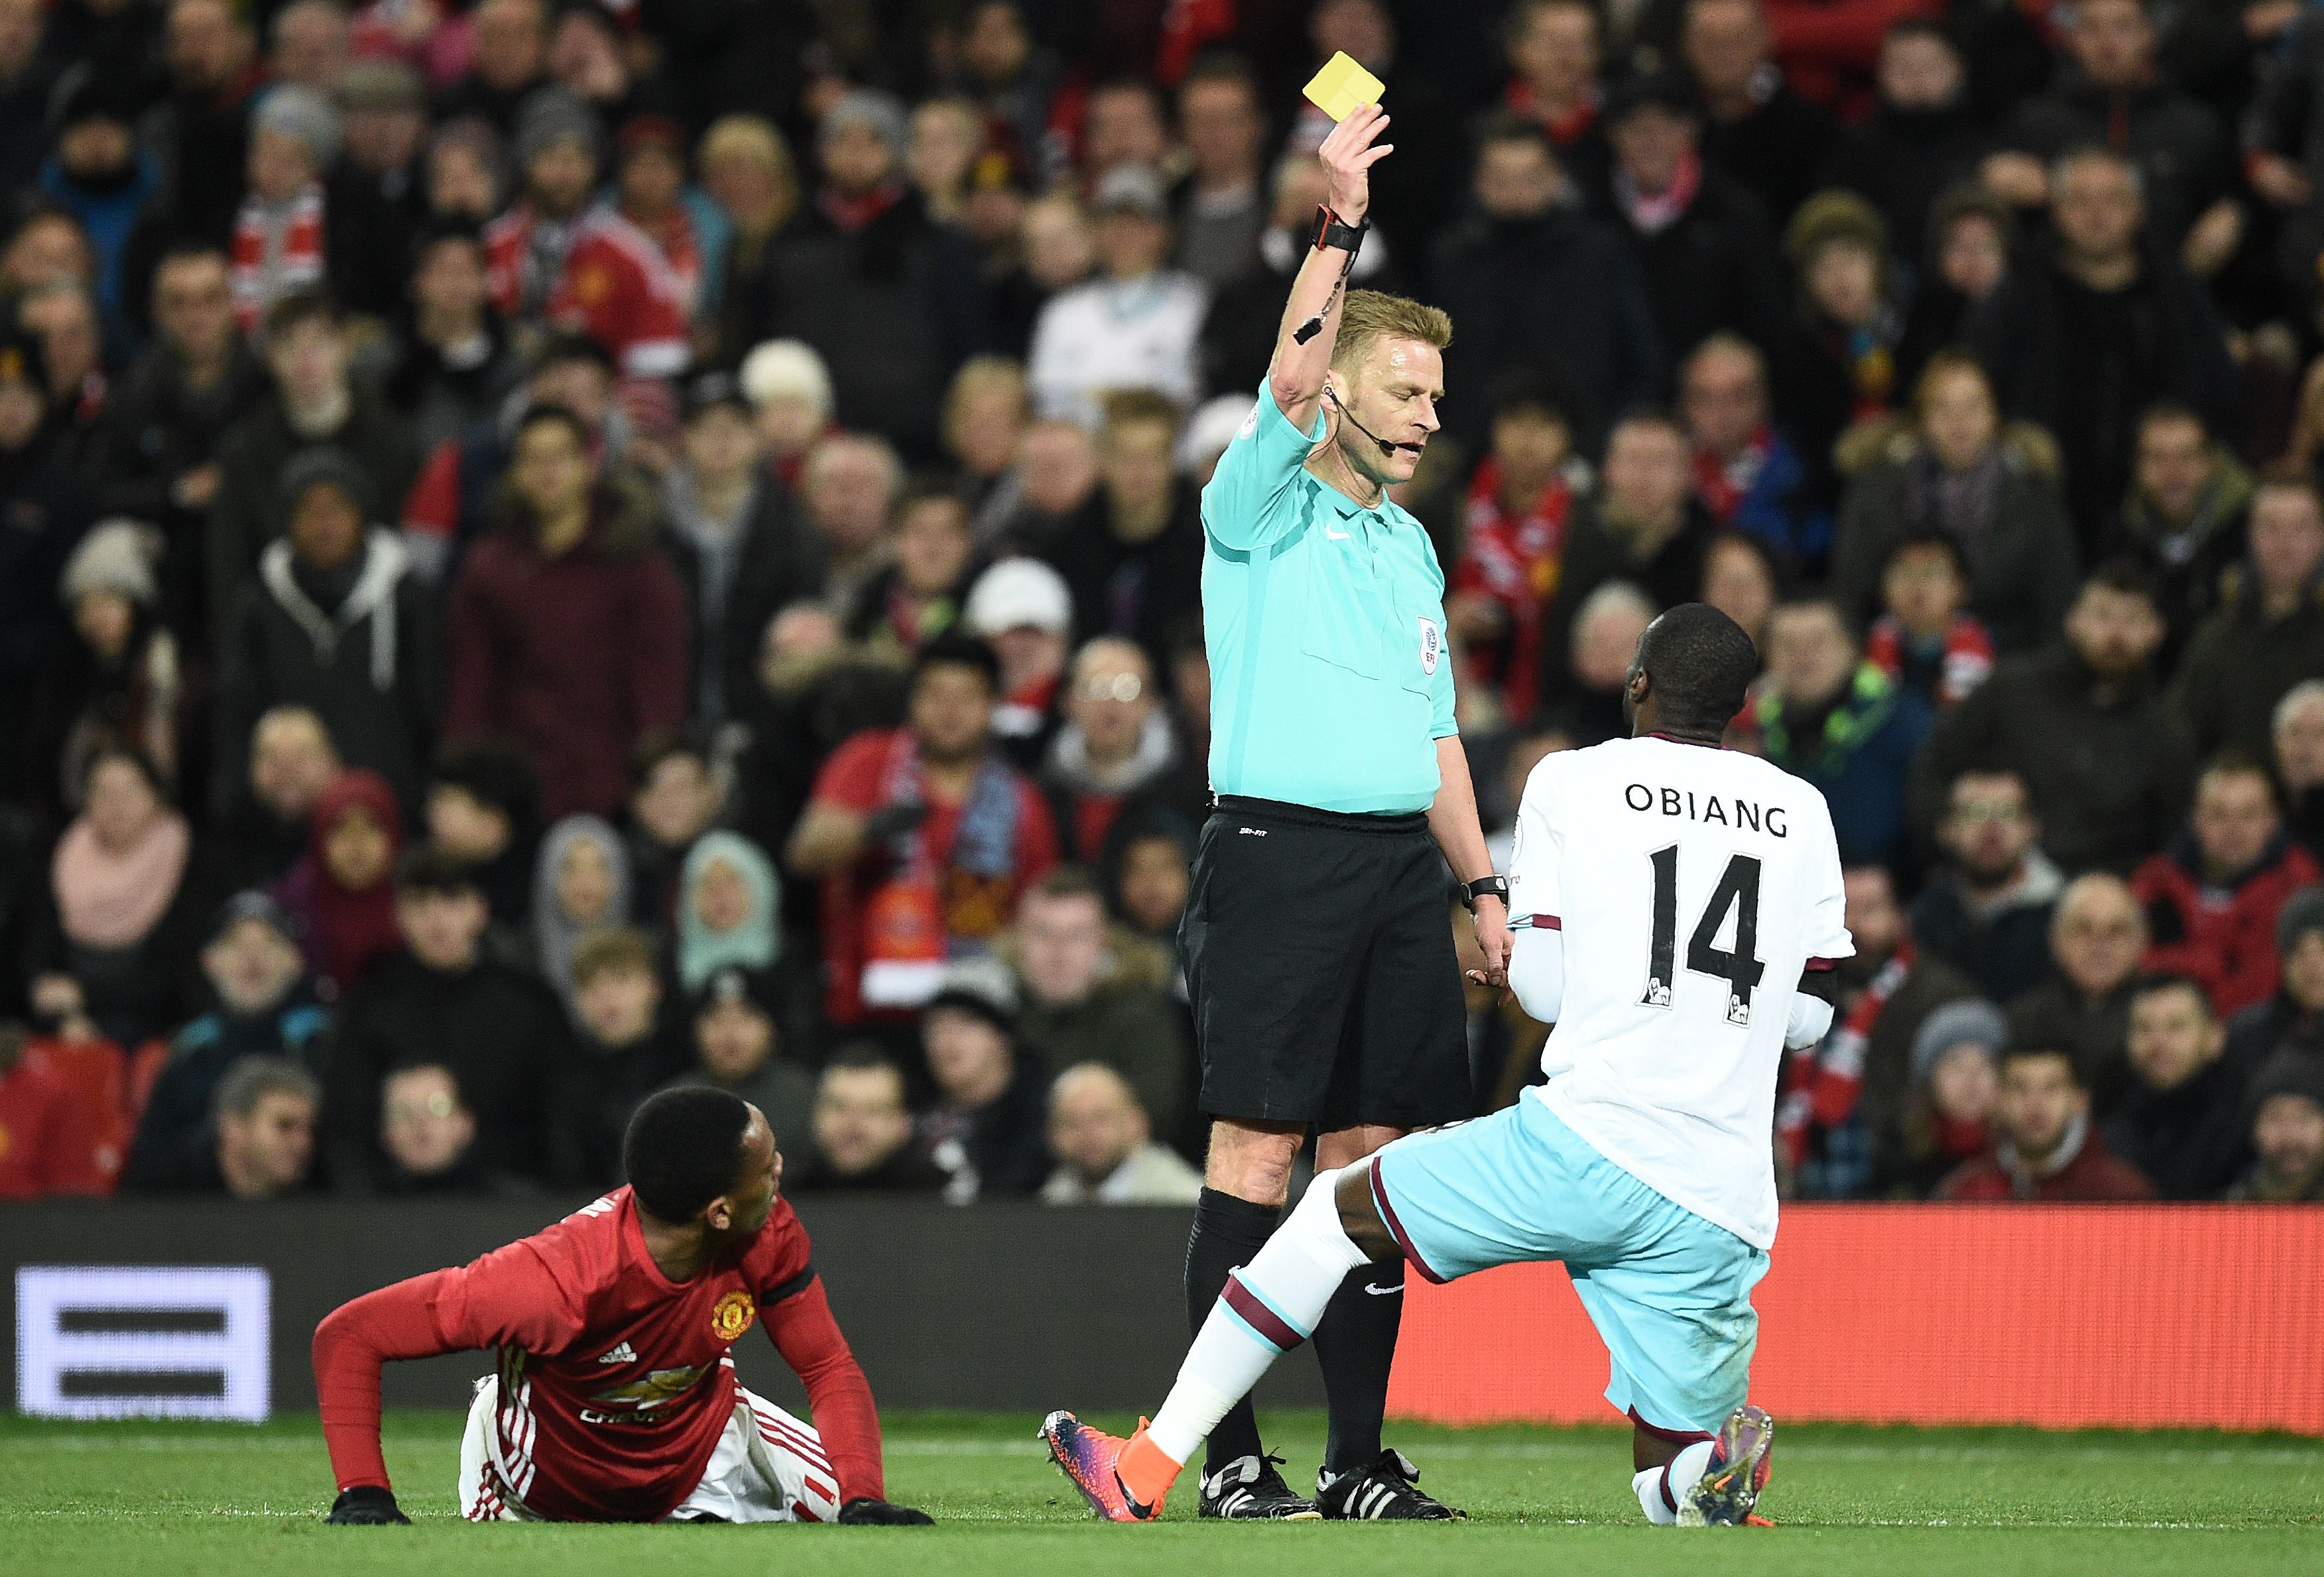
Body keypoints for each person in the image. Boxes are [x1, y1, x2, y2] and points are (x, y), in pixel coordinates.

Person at [1041, 603, 1839, 1529]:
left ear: (1637, 683)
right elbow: (1810, 1015)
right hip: (1720, 1198)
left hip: (1589, 1145)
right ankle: (1701, 1479)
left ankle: (1143, 1466)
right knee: (1667, 1454)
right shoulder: (1800, 808)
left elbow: (1541, 989)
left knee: (1329, 1212)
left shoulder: (1576, 782)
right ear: (1742, 705)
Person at [1130, 99, 1508, 1523]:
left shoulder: (1411, 546)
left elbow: (1437, 735)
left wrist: (1477, 889)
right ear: (1340, 389)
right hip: (1276, 858)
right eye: (1407, 392)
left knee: (1370, 1167)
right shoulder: (1256, 507)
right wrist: (1336, 228)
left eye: (1435, 396)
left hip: (1398, 875)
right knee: (1256, 1150)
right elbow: (1282, 390)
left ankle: (1356, 1460)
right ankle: (1225, 1455)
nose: (1429, 417)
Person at [313, 1085, 931, 1526]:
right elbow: (349, 1335)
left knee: (859, 1514)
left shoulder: (767, 1229)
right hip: (541, 1480)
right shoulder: (552, 1280)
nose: (780, 1173)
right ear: (718, 1212)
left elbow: (825, 1365)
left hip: (699, 1444)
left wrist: (863, 1496)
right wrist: (363, 1492)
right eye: (765, 1169)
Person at [1964, 145, 2238, 545]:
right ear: (2057, 211)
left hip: (2159, 515)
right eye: (2080, 200)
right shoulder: (2016, 298)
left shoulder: (2178, 296)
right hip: (2040, 507)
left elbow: (2219, 394)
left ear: (2138, 210)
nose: (2097, 214)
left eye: (2112, 199)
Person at [789, 635, 1060, 1025]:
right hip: (865, 1009)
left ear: (993, 706)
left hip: (975, 1015)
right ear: (912, 701)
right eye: (935, 694)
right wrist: (874, 828)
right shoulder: (869, 760)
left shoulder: (1021, 800)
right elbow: (804, 853)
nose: (950, 711)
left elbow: (1038, 911)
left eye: (967, 697)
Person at [444, 404, 689, 821]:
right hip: (514, 797)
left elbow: (658, 680)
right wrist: (462, 782)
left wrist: (655, 777)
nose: (548, 471)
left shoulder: (635, 564)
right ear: (516, 472)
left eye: (560, 456)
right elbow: (471, 682)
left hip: (614, 792)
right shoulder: (489, 567)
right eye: (533, 458)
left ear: (587, 465)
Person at [1911, 559, 2192, 876]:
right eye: (2102, 616)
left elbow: (2169, 842)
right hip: (1998, 881)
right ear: (2073, 621)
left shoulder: (2167, 730)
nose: (2116, 633)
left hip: (2104, 902)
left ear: (2157, 631)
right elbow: (1933, 766)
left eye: (2132, 619)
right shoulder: (2011, 690)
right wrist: (1953, 837)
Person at [320, 846, 570, 1189]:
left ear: (479, 910)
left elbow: (559, 1122)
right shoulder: (370, 1006)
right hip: (391, 1206)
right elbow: (347, 1122)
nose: (436, 918)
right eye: (421, 903)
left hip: (511, 1207)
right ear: (400, 916)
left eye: (450, 900)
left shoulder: (529, 1006)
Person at [213, 446, 439, 813]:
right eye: (309, 510)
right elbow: (237, 708)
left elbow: (426, 704)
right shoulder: (257, 604)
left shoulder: (408, 600)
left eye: (337, 508)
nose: (324, 524)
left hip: (386, 810)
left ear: (360, 515)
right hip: (282, 813)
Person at [1426, 115, 1662, 457]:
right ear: (1479, 182)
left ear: (1555, 177)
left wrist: (1605, 439)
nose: (1517, 191)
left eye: (1529, 178)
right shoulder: (1452, 259)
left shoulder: (1600, 254)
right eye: (1503, 179)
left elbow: (1643, 358)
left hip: (1587, 454)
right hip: (1470, 456)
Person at [206, 292, 418, 657]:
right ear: (270, 358)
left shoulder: (391, 439)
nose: (306, 360)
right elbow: (229, 563)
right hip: (276, 634)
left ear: (346, 348)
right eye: (289, 345)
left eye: (320, 342)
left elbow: (406, 548)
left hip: (375, 633)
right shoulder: (245, 449)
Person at [1828, 352, 2079, 655]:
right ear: (1920, 419)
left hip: (2007, 666)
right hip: (1889, 667)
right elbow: (1850, 596)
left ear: (1995, 415)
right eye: (1943, 408)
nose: (1959, 422)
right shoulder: (1876, 490)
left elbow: (2056, 607)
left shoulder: (2035, 497)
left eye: (1972, 407)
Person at [1777, 865, 1977, 1199]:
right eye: (1841, 911)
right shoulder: (1789, 990)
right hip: (1795, 1196)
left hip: (1904, 1199)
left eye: (1870, 910)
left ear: (1902, 917)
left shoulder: (1942, 999)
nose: (1853, 926)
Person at [124, 891, 328, 1190]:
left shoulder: (323, 1042)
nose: (252, 959)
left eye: (268, 944)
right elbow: (151, 1161)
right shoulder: (190, 1049)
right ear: (209, 961)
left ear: (295, 961)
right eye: (236, 944)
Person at [659, 374, 823, 726]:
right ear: (684, 438)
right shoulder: (654, 526)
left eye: (735, 426)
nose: (722, 440)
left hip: (764, 723)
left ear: (757, 437)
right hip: (670, 717)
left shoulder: (792, 527)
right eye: (706, 427)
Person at [1739, 599, 1929, 872]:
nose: (1801, 655)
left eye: (1818, 642)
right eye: (1787, 644)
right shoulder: (1750, 734)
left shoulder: (1905, 723)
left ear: (1852, 648)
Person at [34, 744, 204, 1049]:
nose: (117, 803)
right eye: (104, 792)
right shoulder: (65, 854)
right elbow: (37, 963)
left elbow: (179, 981)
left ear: (156, 796)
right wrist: (62, 1012)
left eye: (130, 789)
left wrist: (82, 995)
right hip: (68, 1030)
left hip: (155, 1037)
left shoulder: (187, 861)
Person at [1008, 866, 1191, 1145]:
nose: (1058, 951)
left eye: (1076, 935)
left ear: (1103, 944)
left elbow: (1152, 1120)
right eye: (1042, 933)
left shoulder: (1140, 1016)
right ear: (1018, 940)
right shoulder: (990, 1014)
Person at [2130, 754, 2321, 1019]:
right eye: (2219, 814)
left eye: (2249, 814)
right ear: (2195, 820)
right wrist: (2210, 964)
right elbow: (2128, 967)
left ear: (2273, 820)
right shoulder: (2154, 885)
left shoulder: (2300, 894)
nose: (2235, 829)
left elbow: (2267, 987)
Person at [1026, 163, 1205, 426]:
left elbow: (1191, 394)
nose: (1126, 235)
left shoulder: (1193, 304)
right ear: (1097, 231)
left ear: (1164, 231)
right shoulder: (1063, 311)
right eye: (1115, 223)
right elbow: (1046, 399)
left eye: (1139, 223)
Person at [1040, 388, 1205, 669]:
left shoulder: (1211, 543)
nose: (1139, 472)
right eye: (1125, 457)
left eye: (1153, 456)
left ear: (1174, 461)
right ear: (1102, 458)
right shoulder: (1068, 543)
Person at [2171, 475, 2324, 764]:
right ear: (2250, 536)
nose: (2285, 542)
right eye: (2270, 527)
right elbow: (2179, 735)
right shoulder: (2218, 636)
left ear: (2321, 537)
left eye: (2300, 528)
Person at [1909, 766, 2064, 1004]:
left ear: (2032, 828)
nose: (1991, 827)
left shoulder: (2064, 916)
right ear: (1946, 830)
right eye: (1975, 812)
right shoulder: (1923, 916)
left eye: (2008, 813)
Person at [1039, 638, 1201, 864]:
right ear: (1068, 701)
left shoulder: (1190, 798)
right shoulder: (1041, 793)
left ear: (1151, 703)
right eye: (1096, 687)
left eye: (1128, 689)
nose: (1111, 704)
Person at [1934, 1041, 2158, 1201]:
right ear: (1999, 1100)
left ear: (2079, 1101)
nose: (2035, 1105)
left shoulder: (2121, 1195)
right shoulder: (1965, 1192)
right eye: (2020, 1088)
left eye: (2052, 1088)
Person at [2116, 404, 2249, 666]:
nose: (2173, 472)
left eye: (2186, 456)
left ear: (2210, 463)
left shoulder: (2251, 535)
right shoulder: (2119, 540)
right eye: (2158, 458)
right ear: (2138, 467)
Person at [2006, 874, 2149, 1115]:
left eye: (2116, 931)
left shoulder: (2160, 1019)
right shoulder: (2019, 1022)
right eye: (2084, 930)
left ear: (2140, 942)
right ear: (2056, 939)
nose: (2099, 945)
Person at [2103, 972, 2252, 1199]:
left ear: (2215, 1038)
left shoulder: (2246, 1129)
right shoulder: (2110, 1126)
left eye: (2176, 1027)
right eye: (2144, 1028)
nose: (2158, 1042)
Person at [1679, 335, 1819, 575]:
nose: (1722, 411)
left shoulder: (1803, 481)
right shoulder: (1670, 479)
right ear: (1685, 405)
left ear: (1763, 400)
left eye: (1739, 396)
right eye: (1705, 397)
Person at [556, 926, 684, 1187]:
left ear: (653, 987)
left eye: (621, 979)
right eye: (591, 985)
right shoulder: (564, 1076)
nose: (606, 996)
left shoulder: (686, 1067)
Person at [661, 964, 816, 1170]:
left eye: (746, 1018)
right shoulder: (668, 1106)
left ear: (771, 1026)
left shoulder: (808, 1098)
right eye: (716, 1019)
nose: (730, 1034)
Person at [273, 768, 404, 996]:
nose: (357, 845)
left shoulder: (419, 906)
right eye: (341, 829)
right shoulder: (282, 913)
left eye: (371, 827)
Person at [914, 981, 1050, 1202]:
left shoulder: (1045, 1123)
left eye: (966, 1024)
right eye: (936, 1027)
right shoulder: (910, 1115)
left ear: (1004, 1038)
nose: (947, 1041)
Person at [1877, 998, 2006, 1200]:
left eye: (1984, 1065)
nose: (1971, 1080)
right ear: (1931, 1081)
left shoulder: (2023, 1156)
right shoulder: (1898, 1155)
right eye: (1956, 1066)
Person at [214, 706, 340, 892]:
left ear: (331, 762)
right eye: (273, 759)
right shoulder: (227, 841)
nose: (287, 773)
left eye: (301, 758)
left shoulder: (356, 832)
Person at [786, 1047, 946, 1193]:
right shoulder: (780, 1200)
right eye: (838, 1107)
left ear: (903, 1123)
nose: (852, 1125)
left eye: (872, 1110)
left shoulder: (942, 1196)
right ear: (816, 1114)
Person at [1861, 534, 1992, 711]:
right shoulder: (1863, 643)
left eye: (1932, 573)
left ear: (1960, 588)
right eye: (1903, 573)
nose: (1917, 584)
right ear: (1883, 590)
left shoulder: (1987, 645)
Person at [1042, 1063, 1203, 1205]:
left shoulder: (1184, 1202)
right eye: (1072, 1123)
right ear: (1052, 1134)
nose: (1087, 1134)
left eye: (1101, 1118)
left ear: (1137, 1123)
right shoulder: (1051, 1200)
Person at [373, 1063, 528, 1197]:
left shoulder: (519, 1205)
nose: (419, 1121)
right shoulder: (355, 1212)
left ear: (465, 1123)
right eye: (402, 1112)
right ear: (385, 1132)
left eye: (438, 1107)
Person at [532, 814, 628, 1016]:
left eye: (598, 868)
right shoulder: (518, 961)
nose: (585, 882)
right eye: (570, 868)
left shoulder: (641, 956)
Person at [676, 832, 780, 996]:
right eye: (707, 884)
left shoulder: (792, 964)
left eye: (732, 882)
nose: (720, 895)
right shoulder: (668, 970)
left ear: (761, 888)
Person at [2227, 1054, 2324, 1201]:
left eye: (2305, 1119)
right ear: (2255, 1129)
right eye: (2275, 1118)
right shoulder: (2229, 1211)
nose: (2290, 1136)